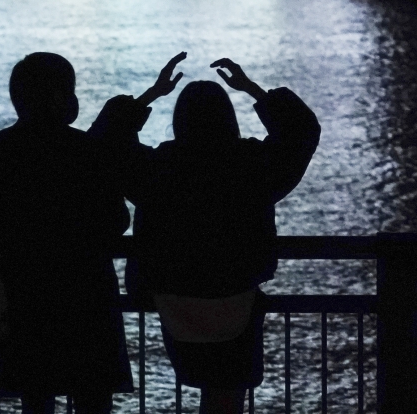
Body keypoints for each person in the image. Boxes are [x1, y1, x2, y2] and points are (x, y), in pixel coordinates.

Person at [91, 54, 321, 414]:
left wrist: (151, 94)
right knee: (227, 395)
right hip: (236, 296)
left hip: (173, 298)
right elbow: (301, 130)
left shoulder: (158, 169)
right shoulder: (251, 166)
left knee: (198, 379)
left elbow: (104, 143)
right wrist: (252, 90)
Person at [0, 52, 133, 414]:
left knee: (35, 397)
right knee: (93, 399)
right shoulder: (87, 151)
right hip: (87, 295)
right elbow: (116, 221)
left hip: (23, 295)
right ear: (64, 96)